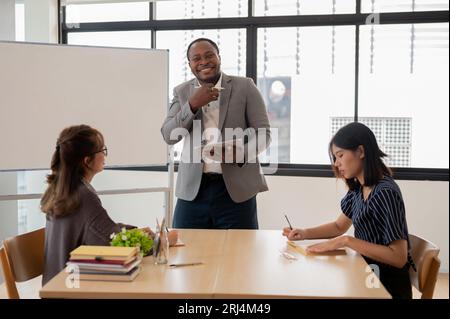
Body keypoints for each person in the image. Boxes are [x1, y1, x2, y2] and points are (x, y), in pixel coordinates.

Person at [282, 122, 414, 299]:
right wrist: (304, 233)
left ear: (360, 151)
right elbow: (338, 226)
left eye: (340, 155)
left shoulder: (385, 193)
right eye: (335, 158)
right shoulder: (359, 189)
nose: (336, 164)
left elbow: (398, 257)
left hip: (385, 288)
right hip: (367, 276)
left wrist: (347, 241)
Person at [41, 125, 177, 285]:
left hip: (60, 285)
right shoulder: (83, 196)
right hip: (73, 288)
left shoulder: (61, 189)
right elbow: (112, 245)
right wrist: (161, 242)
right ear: (87, 161)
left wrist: (136, 232)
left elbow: (99, 230)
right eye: (102, 150)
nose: (105, 155)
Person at [161, 38, 271, 229]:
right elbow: (169, 135)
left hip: (236, 192)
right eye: (196, 58)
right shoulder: (182, 91)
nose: (203, 61)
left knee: (239, 253)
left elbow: (263, 133)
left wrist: (243, 153)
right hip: (193, 191)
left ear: (219, 57)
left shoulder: (245, 87)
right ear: (190, 64)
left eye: (209, 55)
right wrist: (193, 104)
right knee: (187, 250)